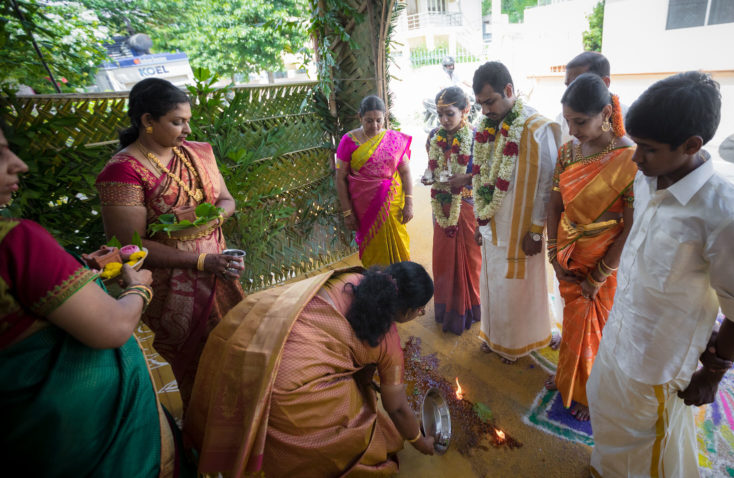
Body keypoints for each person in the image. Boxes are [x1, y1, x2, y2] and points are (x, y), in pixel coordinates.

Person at [587, 72, 734, 477]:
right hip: (617, 336)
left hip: (657, 361)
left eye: (647, 150)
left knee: (648, 444)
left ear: (691, 146)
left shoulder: (728, 218)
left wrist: (714, 372)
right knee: (604, 412)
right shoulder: (648, 176)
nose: (636, 160)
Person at [0, 121, 191, 476]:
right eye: (0, 154)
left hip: (28, 433)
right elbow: (113, 326)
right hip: (96, 436)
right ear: (148, 121)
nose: (19, 164)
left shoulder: (195, 154)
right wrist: (139, 288)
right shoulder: (16, 241)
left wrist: (77, 270)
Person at [184, 262, 438, 477]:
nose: (421, 313)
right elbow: (397, 407)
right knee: (360, 433)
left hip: (254, 341)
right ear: (406, 310)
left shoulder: (350, 278)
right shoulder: (388, 341)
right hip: (289, 385)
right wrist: (419, 441)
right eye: (419, 310)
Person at [96, 77, 245, 408]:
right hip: (174, 289)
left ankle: (246, 429)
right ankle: (205, 439)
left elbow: (225, 200)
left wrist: (212, 222)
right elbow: (129, 246)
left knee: (238, 353)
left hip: (220, 271)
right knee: (200, 369)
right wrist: (201, 260)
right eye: (177, 122)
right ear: (148, 121)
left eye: (188, 121)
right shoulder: (123, 172)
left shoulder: (199, 153)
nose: (187, 131)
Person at [543, 73, 637, 421]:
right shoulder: (568, 152)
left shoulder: (628, 156)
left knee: (597, 329)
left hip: (605, 260)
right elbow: (554, 206)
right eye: (568, 121)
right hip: (568, 253)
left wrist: (599, 274)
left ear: (604, 113)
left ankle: (590, 392)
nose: (573, 130)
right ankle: (567, 376)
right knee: (572, 322)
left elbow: (630, 225)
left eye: (580, 122)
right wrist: (553, 255)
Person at [471, 61, 561, 364]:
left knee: (516, 288)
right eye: (480, 104)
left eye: (490, 101)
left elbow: (549, 185)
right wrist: (479, 220)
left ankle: (519, 342)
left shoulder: (537, 128)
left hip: (521, 230)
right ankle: (493, 335)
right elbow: (480, 176)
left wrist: (537, 230)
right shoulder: (486, 128)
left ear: (509, 90)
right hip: (493, 223)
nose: (484, 110)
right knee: (491, 282)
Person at [422, 86, 481, 335]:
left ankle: (471, 309)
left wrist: (466, 179)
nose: (444, 120)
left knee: (470, 259)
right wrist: (428, 176)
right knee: (444, 259)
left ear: (465, 110)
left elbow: (485, 176)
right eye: (440, 115)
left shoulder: (477, 138)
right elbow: (432, 168)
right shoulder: (433, 137)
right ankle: (447, 308)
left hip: (466, 205)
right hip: (442, 204)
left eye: (450, 114)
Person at [335, 95, 414, 266]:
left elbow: (406, 171)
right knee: (373, 253)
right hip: (364, 207)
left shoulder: (394, 140)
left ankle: (402, 285)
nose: (375, 126)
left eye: (379, 120)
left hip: (394, 206)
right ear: (360, 117)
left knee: (399, 246)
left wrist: (409, 202)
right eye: (369, 121)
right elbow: (340, 179)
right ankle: (377, 286)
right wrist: (347, 213)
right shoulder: (348, 141)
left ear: (385, 117)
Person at [557, 51, 623, 145]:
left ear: (605, 82)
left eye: (580, 121)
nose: (572, 131)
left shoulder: (628, 120)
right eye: (569, 85)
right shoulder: (562, 119)